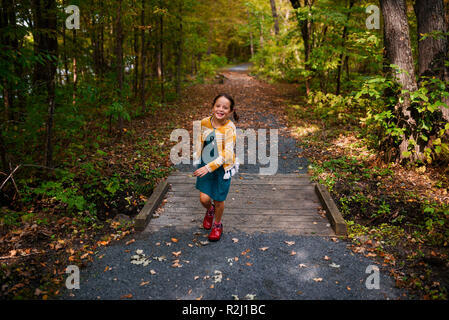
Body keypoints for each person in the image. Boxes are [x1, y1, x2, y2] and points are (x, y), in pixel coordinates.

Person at [192, 93, 239, 241]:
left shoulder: (230, 128)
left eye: (225, 107)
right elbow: (200, 139)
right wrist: (198, 156)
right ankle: (210, 210)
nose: (220, 109)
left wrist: (209, 167)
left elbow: (227, 153)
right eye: (218, 106)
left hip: (222, 167)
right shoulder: (204, 122)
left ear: (230, 111)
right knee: (204, 199)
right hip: (206, 163)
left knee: (218, 199)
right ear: (212, 107)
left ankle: (217, 225)